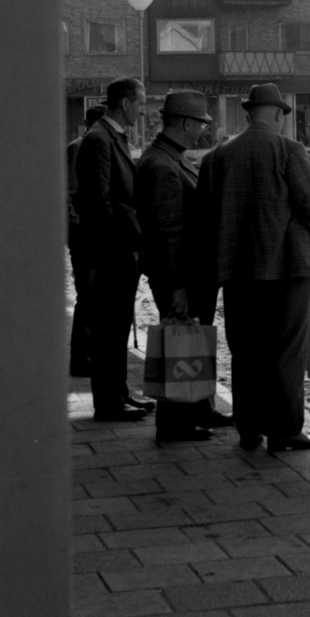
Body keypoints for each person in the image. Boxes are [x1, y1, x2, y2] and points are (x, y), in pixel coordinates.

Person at [196, 83, 310, 454]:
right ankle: (284, 431)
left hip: (238, 271)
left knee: (246, 349)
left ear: (248, 113)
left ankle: (249, 428)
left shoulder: (216, 157)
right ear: (277, 114)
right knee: (286, 349)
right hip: (289, 266)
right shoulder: (288, 149)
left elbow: (205, 220)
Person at [135, 90, 233, 443]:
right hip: (182, 276)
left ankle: (200, 410)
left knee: (194, 343)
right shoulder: (162, 166)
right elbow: (168, 233)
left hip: (188, 275)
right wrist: (177, 285)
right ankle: (176, 425)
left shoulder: (168, 158)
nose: (205, 130)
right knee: (181, 346)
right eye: (202, 123)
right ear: (187, 123)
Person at [74, 76, 152, 422]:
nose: (142, 109)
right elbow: (99, 200)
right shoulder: (99, 140)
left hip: (120, 251)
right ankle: (108, 403)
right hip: (112, 253)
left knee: (118, 326)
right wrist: (118, 245)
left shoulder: (110, 138)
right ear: (124, 103)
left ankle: (118, 394)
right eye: (140, 103)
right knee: (108, 329)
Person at [67, 104, 105, 377]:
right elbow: (71, 191)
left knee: (97, 295)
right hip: (84, 235)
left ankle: (92, 353)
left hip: (98, 233)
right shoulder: (77, 148)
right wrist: (77, 225)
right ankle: (80, 358)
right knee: (88, 295)